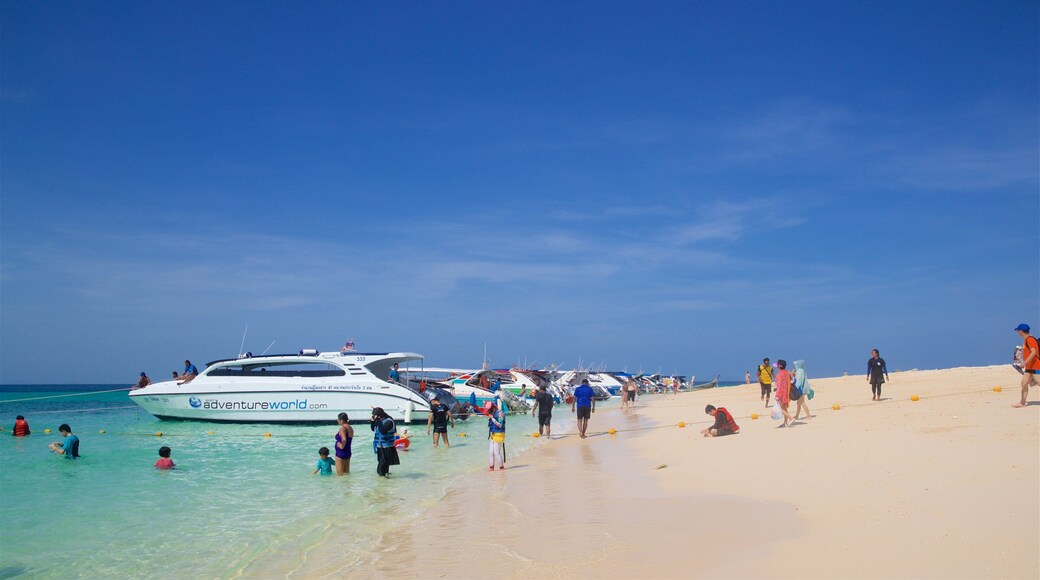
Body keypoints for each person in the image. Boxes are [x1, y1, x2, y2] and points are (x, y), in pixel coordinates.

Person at [1013, 323, 1039, 408]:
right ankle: (1022, 403)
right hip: (1029, 367)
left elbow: (1034, 352)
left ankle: (1022, 403)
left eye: (1018, 330)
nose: (1017, 332)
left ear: (1021, 331)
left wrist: (1024, 363)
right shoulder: (1026, 340)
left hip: (1036, 366)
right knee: (1024, 383)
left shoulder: (1029, 339)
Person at [370, 407, 398, 477]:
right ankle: (386, 482)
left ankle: (382, 482)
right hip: (380, 447)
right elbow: (373, 429)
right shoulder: (380, 421)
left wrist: (378, 420)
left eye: (375, 415)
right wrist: (372, 422)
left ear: (379, 415)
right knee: (383, 466)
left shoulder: (389, 421)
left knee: (381, 468)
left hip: (387, 447)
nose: (374, 417)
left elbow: (383, 431)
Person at [775, 360, 794, 428]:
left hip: (782, 393)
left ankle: (791, 418)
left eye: (777, 366)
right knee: (784, 408)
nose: (776, 367)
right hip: (786, 392)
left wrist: (777, 396)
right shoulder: (787, 372)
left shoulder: (779, 375)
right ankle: (785, 423)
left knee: (781, 408)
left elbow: (779, 386)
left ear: (779, 366)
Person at [487, 402, 506, 470]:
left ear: (494, 408)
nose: (489, 412)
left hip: (499, 434)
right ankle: (491, 467)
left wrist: (492, 418)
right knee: (490, 452)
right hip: (493, 434)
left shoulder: (500, 413)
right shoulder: (492, 413)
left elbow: (500, 425)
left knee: (496, 452)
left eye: (490, 410)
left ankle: (501, 467)